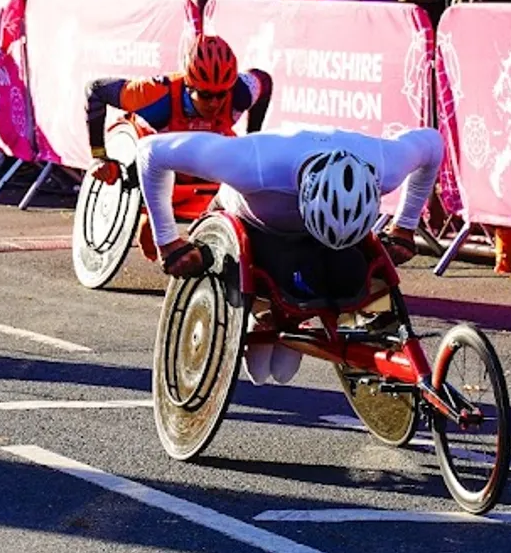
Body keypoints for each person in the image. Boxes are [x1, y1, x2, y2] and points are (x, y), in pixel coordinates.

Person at [142, 126, 443, 382]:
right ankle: (262, 315)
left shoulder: (385, 165)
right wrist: (167, 241)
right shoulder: (249, 163)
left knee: (351, 281)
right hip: (255, 222)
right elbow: (151, 151)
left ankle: (293, 316)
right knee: (286, 283)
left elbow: (432, 143)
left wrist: (405, 226)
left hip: (323, 238)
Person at [83, 34, 272, 182]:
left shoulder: (243, 91)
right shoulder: (155, 94)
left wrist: (252, 137)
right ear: (188, 86)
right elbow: (96, 89)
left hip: (208, 153)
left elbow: (265, 81)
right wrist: (99, 156)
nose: (214, 102)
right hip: (154, 154)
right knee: (150, 218)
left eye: (221, 94)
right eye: (205, 95)